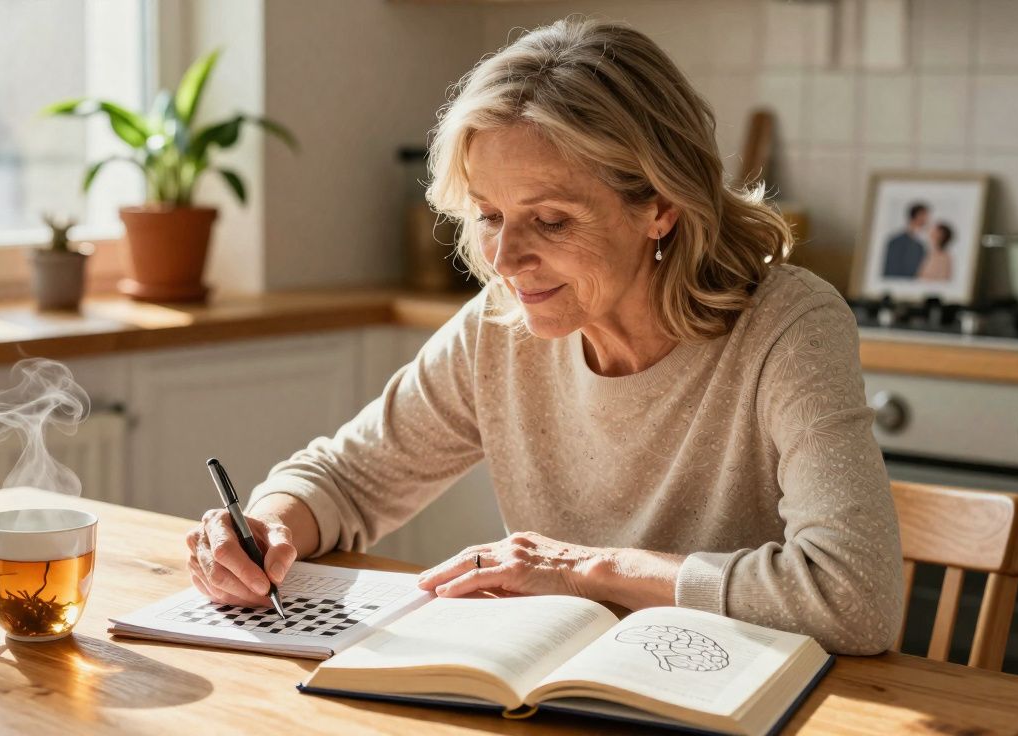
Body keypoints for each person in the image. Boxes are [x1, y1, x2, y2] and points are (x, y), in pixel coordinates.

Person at [185, 17, 904, 655]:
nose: (502, 259)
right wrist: (267, 528)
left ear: (660, 206)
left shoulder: (788, 328)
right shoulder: (502, 327)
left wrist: (582, 568)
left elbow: (854, 597)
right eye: (491, 215)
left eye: (551, 220)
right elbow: (346, 479)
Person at [882, 203, 930, 279]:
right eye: (924, 216)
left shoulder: (920, 247)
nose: (927, 220)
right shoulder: (895, 242)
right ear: (917, 216)